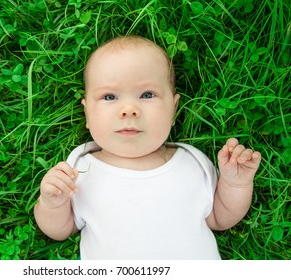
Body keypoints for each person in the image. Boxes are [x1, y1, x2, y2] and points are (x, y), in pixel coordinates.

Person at [34, 35, 261, 259]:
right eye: (110, 96)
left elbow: (220, 218)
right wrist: (52, 203)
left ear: (173, 109)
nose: (129, 109)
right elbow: (60, 230)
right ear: (87, 113)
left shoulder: (192, 162)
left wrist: (235, 183)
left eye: (147, 94)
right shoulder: (79, 169)